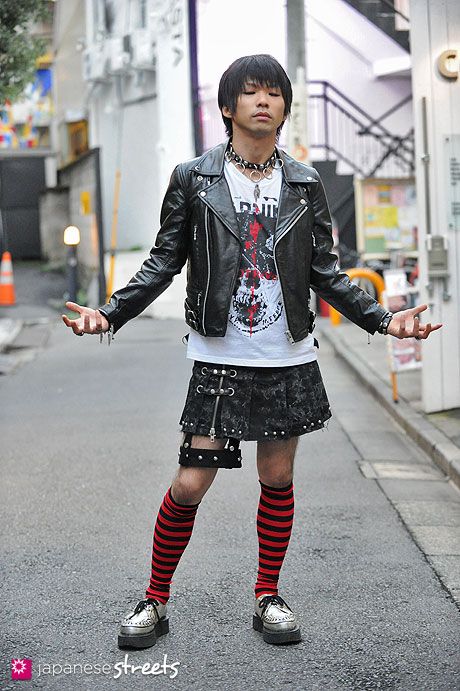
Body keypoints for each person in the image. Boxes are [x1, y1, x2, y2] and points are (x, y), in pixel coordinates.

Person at [62, 54, 441, 648]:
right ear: (228, 107)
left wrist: (386, 319)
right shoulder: (195, 177)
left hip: (285, 352)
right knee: (190, 482)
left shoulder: (304, 182)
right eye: (251, 92)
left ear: (285, 108)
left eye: (273, 92)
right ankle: (155, 600)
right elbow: (164, 261)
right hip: (219, 352)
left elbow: (327, 273)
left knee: (277, 477)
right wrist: (108, 313)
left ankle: (267, 597)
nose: (263, 100)